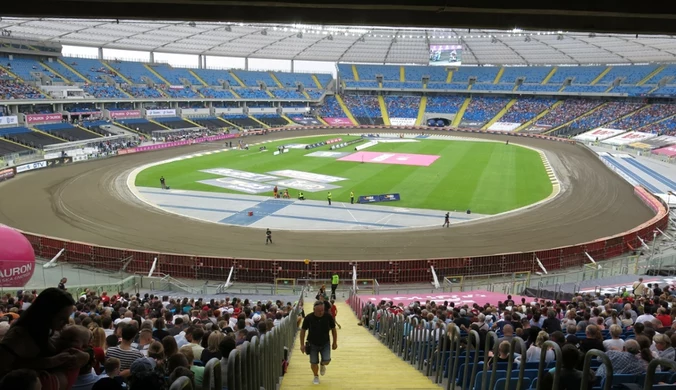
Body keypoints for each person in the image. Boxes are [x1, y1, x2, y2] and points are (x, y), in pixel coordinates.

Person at [0, 288, 89, 390]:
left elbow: (80, 344)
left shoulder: (52, 329)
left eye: (67, 318)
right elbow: (5, 368)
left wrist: (86, 355)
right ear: (45, 315)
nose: (67, 323)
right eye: (61, 318)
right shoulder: (17, 336)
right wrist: (50, 362)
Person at [300, 301, 338, 385]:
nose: (321, 313)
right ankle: (316, 375)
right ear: (314, 309)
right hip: (312, 343)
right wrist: (302, 345)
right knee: (313, 362)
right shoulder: (308, 318)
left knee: (327, 360)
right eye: (319, 311)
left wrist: (335, 342)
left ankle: (322, 364)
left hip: (325, 342)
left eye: (322, 310)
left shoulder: (328, 317)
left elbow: (333, 329)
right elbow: (303, 331)